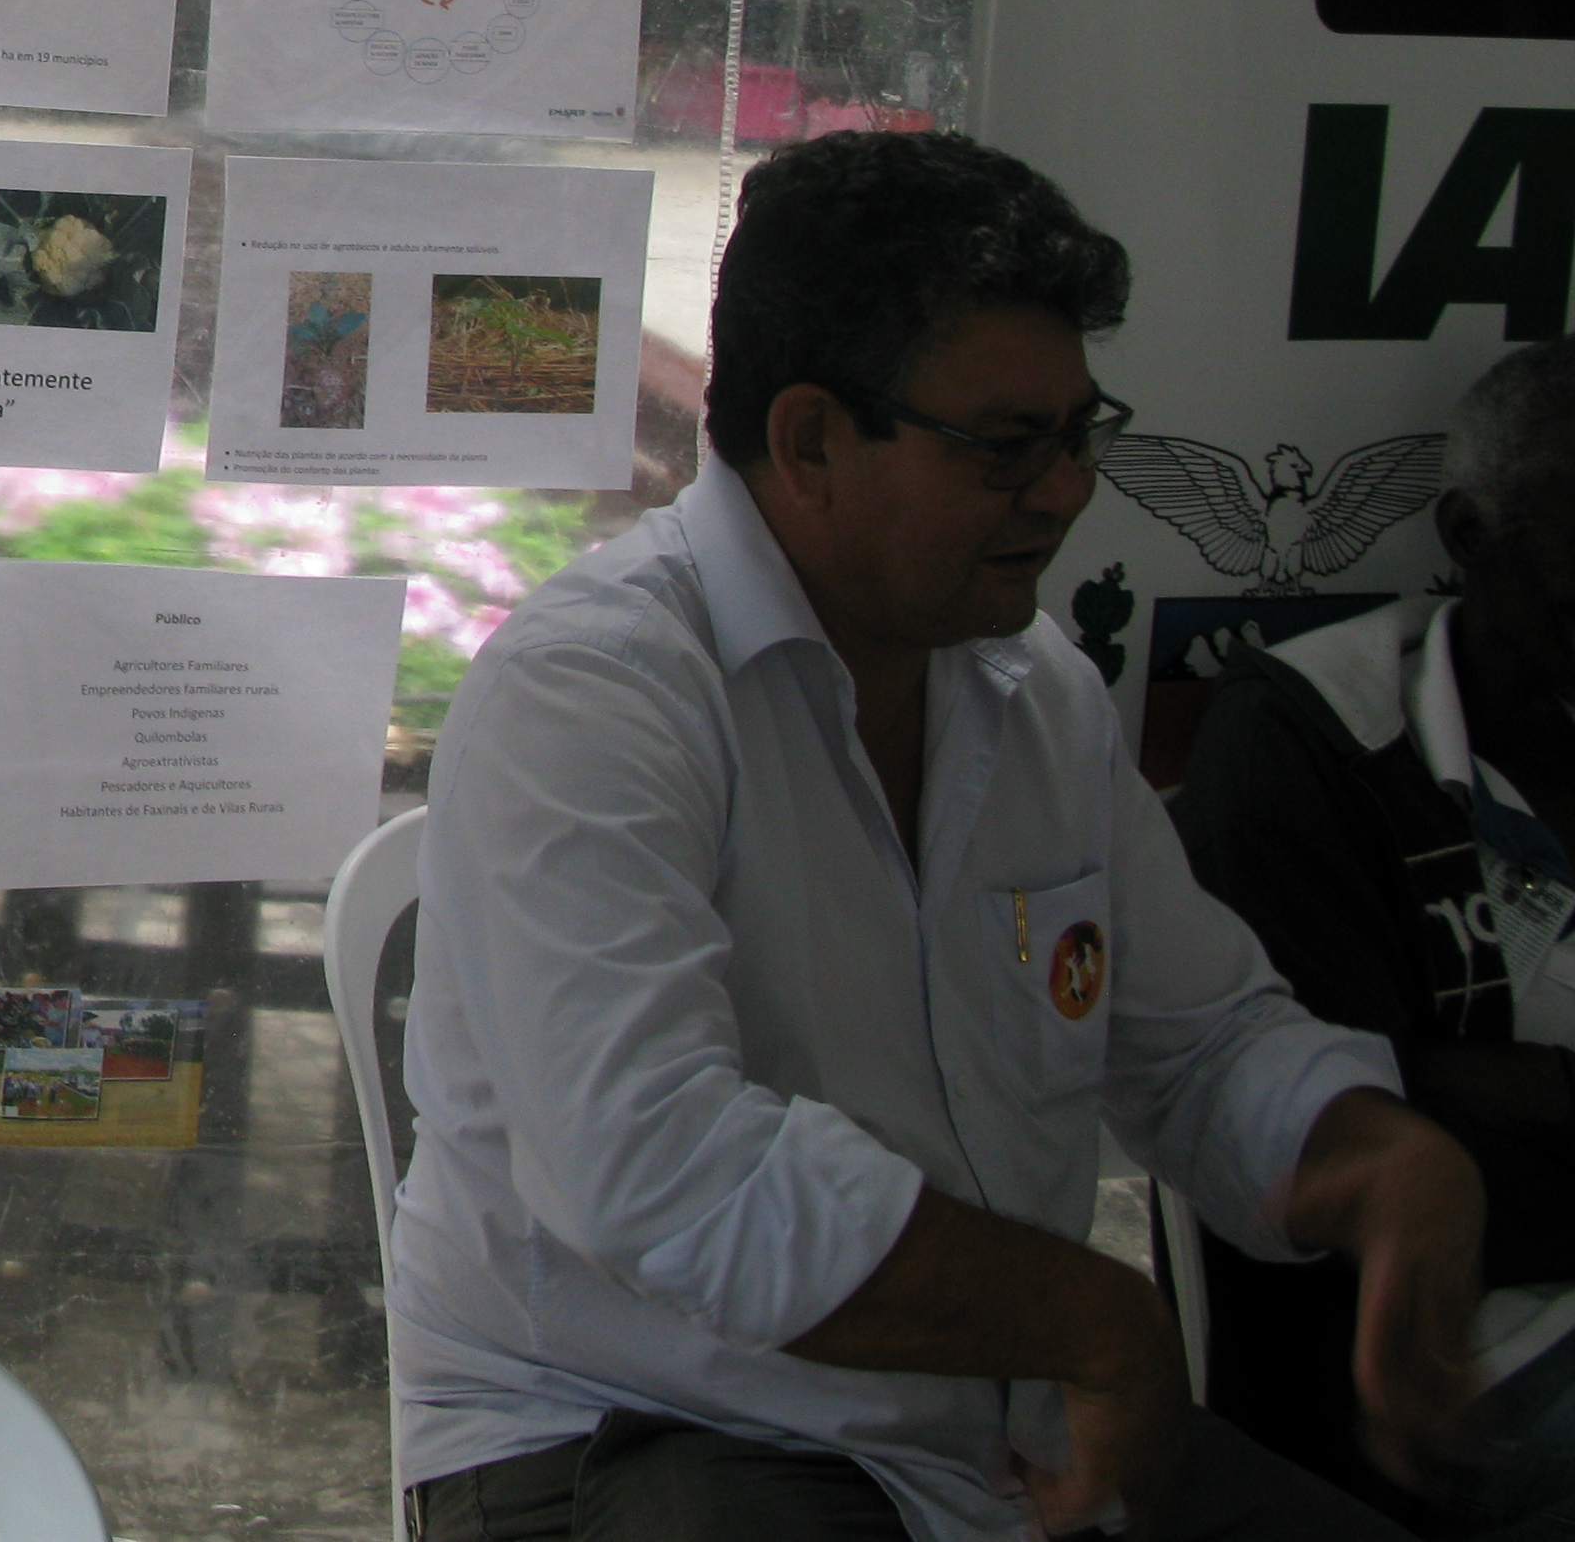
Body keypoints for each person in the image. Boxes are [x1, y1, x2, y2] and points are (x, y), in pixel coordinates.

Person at [389, 129, 1489, 1542]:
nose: (1067, 491)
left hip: (991, 1440)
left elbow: (1199, 1045)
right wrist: (1093, 1322)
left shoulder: (1035, 694)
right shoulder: (593, 690)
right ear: (808, 442)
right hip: (634, 1438)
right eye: (1008, 447)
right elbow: (660, 1170)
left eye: (1083, 434)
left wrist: (1383, 1161)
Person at [1175, 340, 1575, 1534]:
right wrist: (1469, 1104)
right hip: (1431, 1374)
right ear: (1468, 534)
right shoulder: (1309, 744)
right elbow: (1351, 1119)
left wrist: (1522, 1094)